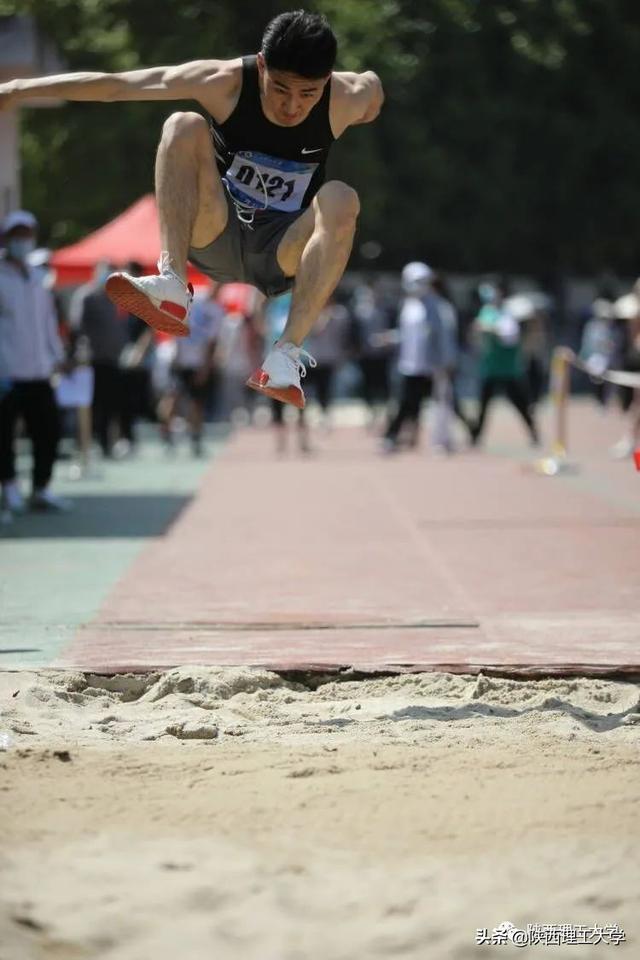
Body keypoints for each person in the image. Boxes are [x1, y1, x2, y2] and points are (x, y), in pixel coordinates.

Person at [1, 11, 384, 410]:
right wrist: (14, 90)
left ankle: (285, 355)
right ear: (262, 65)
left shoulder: (347, 96)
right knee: (182, 124)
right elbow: (116, 87)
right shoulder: (224, 82)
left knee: (341, 197)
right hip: (214, 230)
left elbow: (374, 91)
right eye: (280, 89)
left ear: (326, 82)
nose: (291, 107)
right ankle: (172, 283)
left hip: (281, 251)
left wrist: (371, 99)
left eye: (308, 94)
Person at [0, 210, 69, 518]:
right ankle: (10, 488)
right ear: (6, 239)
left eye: (27, 235)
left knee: (49, 431)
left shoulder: (41, 278)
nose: (22, 241)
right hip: (7, 373)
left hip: (40, 371)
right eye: (17, 235)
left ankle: (41, 488)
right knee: (4, 436)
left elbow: (48, 323)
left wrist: (58, 357)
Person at [383, 262, 447, 452]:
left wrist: (444, 362)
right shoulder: (408, 305)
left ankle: (439, 439)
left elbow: (442, 336)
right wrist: (390, 338)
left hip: (431, 366)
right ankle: (399, 436)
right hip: (408, 365)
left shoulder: (436, 305)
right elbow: (406, 334)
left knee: (439, 404)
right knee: (408, 401)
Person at [470, 282, 540, 447]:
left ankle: (534, 433)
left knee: (521, 404)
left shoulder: (510, 312)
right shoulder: (486, 311)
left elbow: (510, 337)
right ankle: (476, 436)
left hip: (509, 370)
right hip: (490, 368)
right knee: (483, 406)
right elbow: (477, 332)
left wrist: (492, 329)